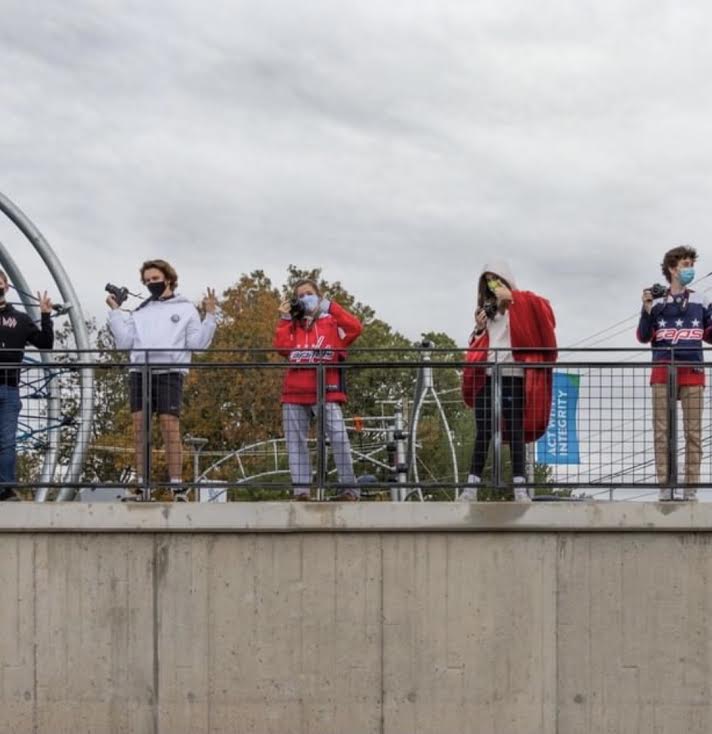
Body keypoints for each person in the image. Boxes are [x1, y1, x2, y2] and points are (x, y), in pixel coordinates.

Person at [107, 259, 217, 500]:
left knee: (169, 425)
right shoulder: (140, 310)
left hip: (170, 372)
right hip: (140, 371)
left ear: (168, 279)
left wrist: (210, 316)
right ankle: (142, 483)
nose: (151, 284)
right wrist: (115, 312)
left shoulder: (186, 308)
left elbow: (198, 345)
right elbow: (124, 342)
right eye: (147, 281)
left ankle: (176, 485)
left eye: (155, 279)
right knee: (140, 427)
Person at [460, 260, 557, 502]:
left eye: (497, 279)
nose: (493, 284)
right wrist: (479, 328)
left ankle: (520, 487)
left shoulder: (524, 303)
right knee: (484, 431)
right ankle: (470, 488)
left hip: (514, 376)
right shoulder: (488, 311)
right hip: (488, 375)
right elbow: (476, 347)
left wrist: (513, 298)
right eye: (488, 281)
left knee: (515, 430)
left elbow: (544, 316)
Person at [273, 279, 363, 500]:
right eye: (300, 296)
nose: (305, 298)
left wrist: (329, 306)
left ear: (319, 295)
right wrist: (285, 318)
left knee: (339, 436)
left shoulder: (331, 323)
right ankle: (301, 491)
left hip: (326, 391)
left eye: (309, 293)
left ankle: (350, 489)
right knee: (295, 442)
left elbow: (355, 328)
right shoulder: (293, 325)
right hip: (294, 392)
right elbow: (282, 348)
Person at [637, 245, 712, 501]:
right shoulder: (657, 301)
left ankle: (691, 490)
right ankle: (666, 488)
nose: (690, 269)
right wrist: (646, 308)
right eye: (685, 265)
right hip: (662, 372)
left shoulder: (701, 300)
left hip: (693, 371)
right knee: (662, 432)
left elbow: (710, 336)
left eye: (692, 264)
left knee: (693, 433)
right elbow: (643, 336)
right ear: (672, 268)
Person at [0, 270, 54, 499]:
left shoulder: (21, 319)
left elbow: (45, 343)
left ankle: (5, 487)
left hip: (9, 387)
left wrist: (45, 316)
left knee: (7, 441)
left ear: (6, 286)